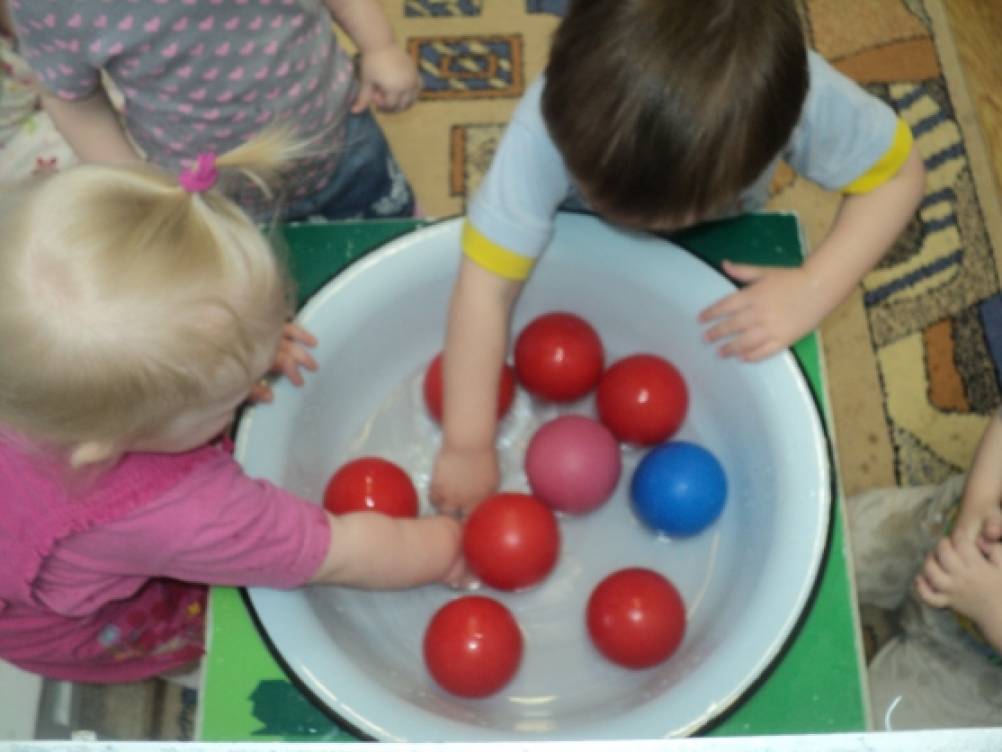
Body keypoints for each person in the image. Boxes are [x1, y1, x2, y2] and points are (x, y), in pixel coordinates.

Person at [428, 0, 926, 514]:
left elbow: (899, 174)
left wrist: (814, 287)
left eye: (661, 219)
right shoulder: (545, 128)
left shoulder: (803, 98)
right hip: (586, 222)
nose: (638, 229)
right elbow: (484, 285)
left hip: (718, 236)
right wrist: (468, 444)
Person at [0, 132, 463, 684]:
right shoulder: (182, 510)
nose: (259, 373)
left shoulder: (27, 358)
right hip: (82, 624)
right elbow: (341, 552)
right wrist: (448, 547)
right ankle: (183, 668)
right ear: (111, 437)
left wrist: (243, 347)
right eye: (227, 397)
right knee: (209, 625)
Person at [7, 0, 419, 221]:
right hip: (213, 195)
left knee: (390, 236)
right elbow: (71, 97)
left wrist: (379, 45)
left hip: (342, 138)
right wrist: (132, 176)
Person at [847, 411, 1002, 729]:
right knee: (822, 543)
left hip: (970, 667)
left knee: (873, 730)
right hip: (938, 528)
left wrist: (992, 607)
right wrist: (978, 506)